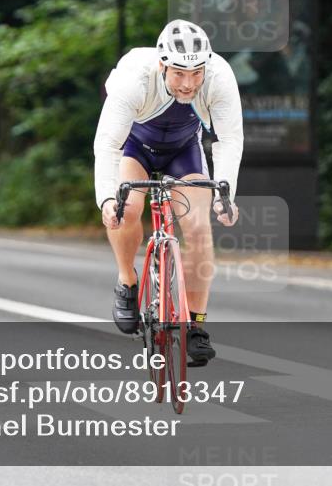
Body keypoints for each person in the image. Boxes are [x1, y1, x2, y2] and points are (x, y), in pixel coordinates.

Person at [94, 19, 242, 366]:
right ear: (162, 65)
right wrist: (107, 198)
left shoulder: (219, 76)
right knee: (126, 210)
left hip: (183, 149)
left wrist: (225, 196)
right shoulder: (134, 77)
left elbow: (229, 139)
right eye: (179, 73)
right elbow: (108, 145)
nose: (188, 83)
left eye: (196, 73)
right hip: (135, 147)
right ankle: (127, 280)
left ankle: (195, 327)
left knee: (199, 229)